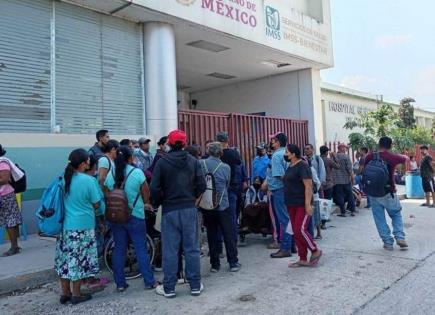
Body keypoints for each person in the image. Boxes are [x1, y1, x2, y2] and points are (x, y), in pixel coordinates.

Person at [150, 130, 206, 298]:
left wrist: (158, 202)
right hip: (189, 209)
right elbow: (202, 185)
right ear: (184, 142)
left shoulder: (162, 162)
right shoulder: (194, 161)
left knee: (170, 250)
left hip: (169, 210)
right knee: (192, 249)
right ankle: (195, 285)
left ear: (169, 142)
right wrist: (193, 198)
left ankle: (169, 288)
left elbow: (154, 188)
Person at [105, 146, 159, 291]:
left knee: (119, 249)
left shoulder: (111, 174)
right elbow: (146, 194)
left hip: (117, 218)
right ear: (130, 158)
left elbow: (107, 192)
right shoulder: (137, 173)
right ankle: (149, 281)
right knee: (141, 248)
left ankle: (120, 284)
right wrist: (146, 204)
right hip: (135, 215)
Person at [55, 149, 104, 305]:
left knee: (64, 259)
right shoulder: (89, 181)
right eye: (88, 161)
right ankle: (77, 294)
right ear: (83, 163)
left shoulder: (63, 179)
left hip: (66, 227)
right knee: (79, 260)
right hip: (83, 227)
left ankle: (65, 293)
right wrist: (101, 217)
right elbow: (97, 204)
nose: (89, 163)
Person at [201, 142, 241, 273]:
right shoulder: (225, 167)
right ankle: (233, 262)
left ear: (208, 151)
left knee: (211, 234)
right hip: (223, 205)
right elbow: (227, 184)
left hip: (207, 205)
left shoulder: (202, 164)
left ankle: (215, 264)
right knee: (228, 234)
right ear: (221, 153)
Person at [363, 137, 409, 251]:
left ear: (378, 144)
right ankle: (399, 237)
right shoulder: (392, 157)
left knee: (379, 218)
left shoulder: (369, 156)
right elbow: (406, 158)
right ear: (390, 145)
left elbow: (363, 170)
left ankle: (388, 243)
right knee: (396, 214)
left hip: (373, 193)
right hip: (389, 192)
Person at [284, 144, 322, 268]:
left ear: (293, 154)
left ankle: (315, 250)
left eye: (287, 152)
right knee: (296, 231)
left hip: (302, 204)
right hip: (291, 204)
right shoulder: (290, 166)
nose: (285, 154)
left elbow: (308, 186)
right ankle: (302, 258)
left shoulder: (303, 166)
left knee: (301, 229)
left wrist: (308, 205)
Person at [268, 132, 295, 258]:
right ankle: (292, 245)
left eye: (273, 141)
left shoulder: (276, 156)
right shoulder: (287, 153)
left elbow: (279, 175)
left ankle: (285, 248)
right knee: (289, 218)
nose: (271, 143)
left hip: (279, 190)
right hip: (288, 190)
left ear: (278, 142)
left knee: (283, 220)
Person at [216, 131, 243, 243]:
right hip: (231, 186)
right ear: (227, 141)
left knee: (218, 215)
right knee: (231, 215)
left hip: (218, 188)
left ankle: (220, 239)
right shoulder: (233, 153)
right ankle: (232, 239)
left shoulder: (215, 154)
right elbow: (239, 165)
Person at [0, 145, 24, 257]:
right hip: (5, 195)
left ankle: (14, 247)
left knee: (10, 221)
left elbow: (4, 179)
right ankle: (14, 246)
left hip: (5, 195)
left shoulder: (2, 163)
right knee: (10, 221)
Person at [332, 144, 356, 217]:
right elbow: (349, 169)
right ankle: (352, 211)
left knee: (340, 196)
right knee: (350, 195)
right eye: (345, 148)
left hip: (337, 181)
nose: (346, 149)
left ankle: (343, 212)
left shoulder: (333, 157)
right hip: (346, 180)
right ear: (341, 148)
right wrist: (352, 178)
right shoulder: (346, 156)